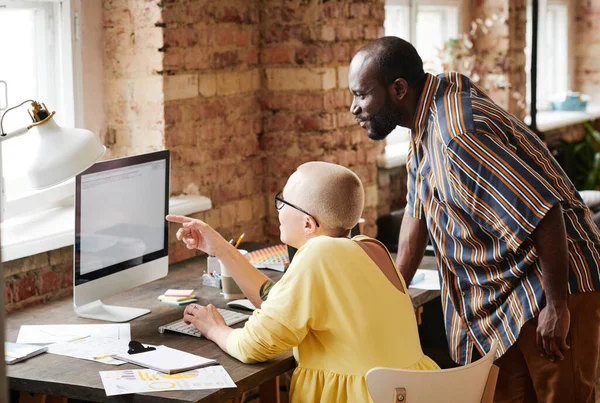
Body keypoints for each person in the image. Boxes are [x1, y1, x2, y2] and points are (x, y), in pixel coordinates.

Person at [348, 36, 600, 403]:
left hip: (550, 284)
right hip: (507, 298)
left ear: (398, 88)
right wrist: (393, 294)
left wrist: (557, 307)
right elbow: (418, 215)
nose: (353, 108)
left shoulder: (458, 136)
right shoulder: (424, 122)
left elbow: (545, 211)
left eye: (361, 95)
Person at [166, 161, 439, 403]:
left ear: (308, 224)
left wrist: (215, 328)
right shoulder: (371, 248)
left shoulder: (319, 253)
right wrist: (222, 249)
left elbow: (253, 346)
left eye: (283, 202)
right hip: (411, 394)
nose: (279, 209)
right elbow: (277, 302)